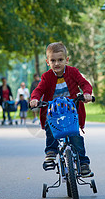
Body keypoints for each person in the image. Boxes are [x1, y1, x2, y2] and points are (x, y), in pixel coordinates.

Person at [30, 42, 94, 177]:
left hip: (71, 111)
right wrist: (34, 99)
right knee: (50, 126)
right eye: (53, 60)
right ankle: (51, 153)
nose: (57, 63)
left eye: (60, 60)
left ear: (67, 60)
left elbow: (84, 84)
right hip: (53, 112)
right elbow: (39, 89)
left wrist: (87, 93)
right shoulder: (46, 77)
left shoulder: (73, 72)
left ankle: (83, 163)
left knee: (75, 137)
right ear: (48, 62)